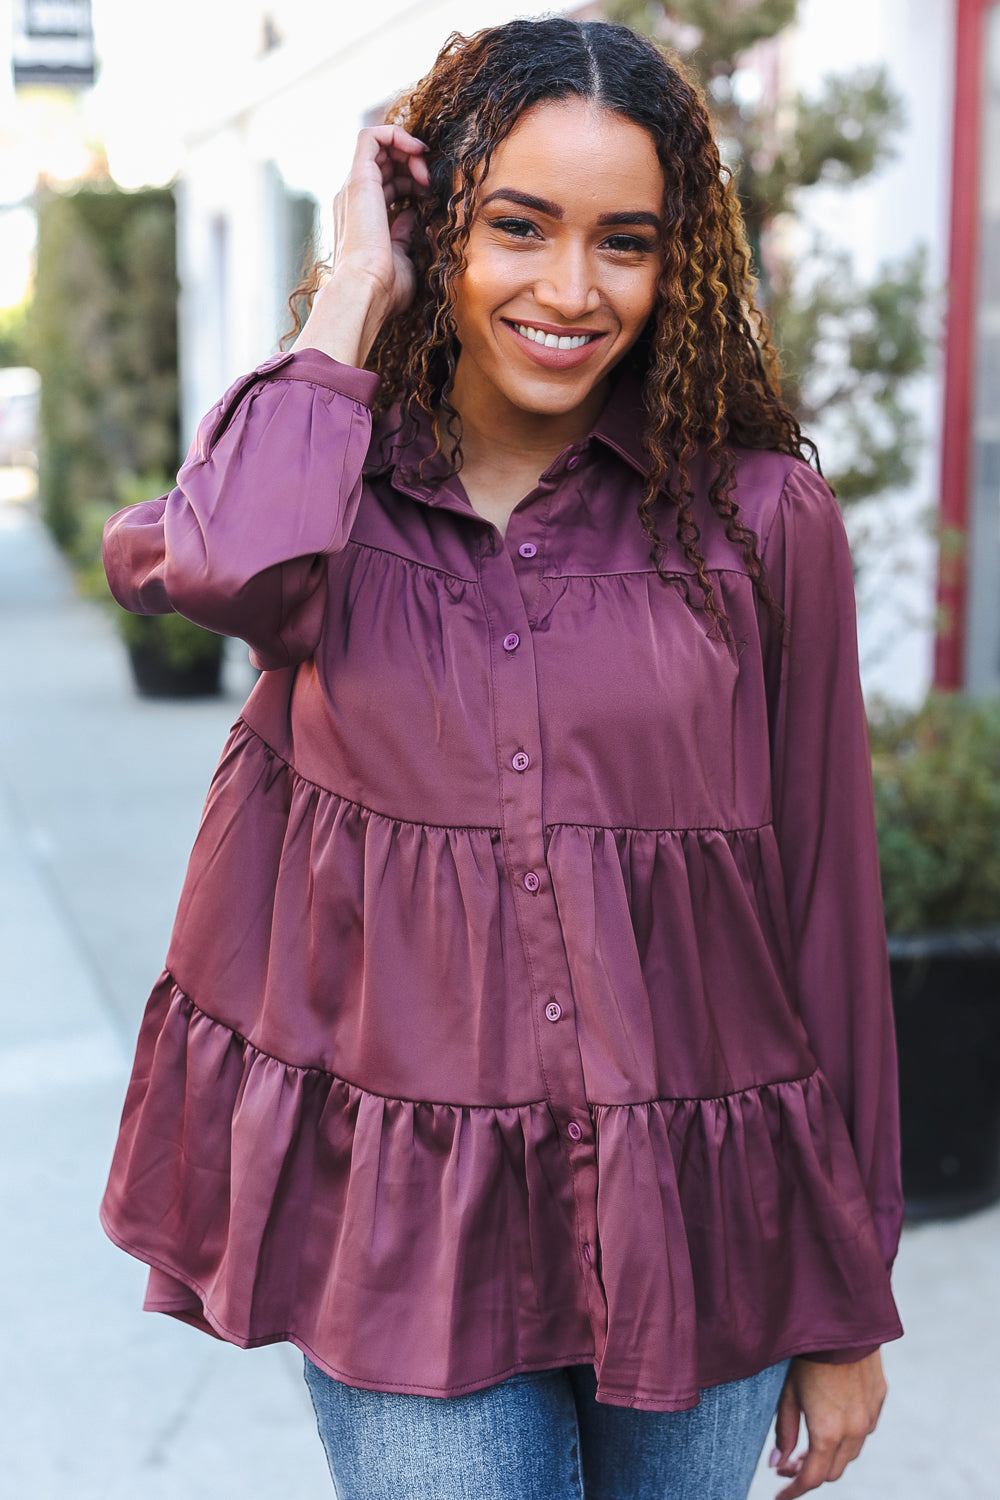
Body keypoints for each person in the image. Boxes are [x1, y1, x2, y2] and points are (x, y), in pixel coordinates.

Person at [99, 17, 903, 1500]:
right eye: (517, 227)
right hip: (409, 1232)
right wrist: (350, 288)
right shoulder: (321, 480)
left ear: (681, 264)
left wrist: (850, 1293)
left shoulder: (761, 519)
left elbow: (823, 912)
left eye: (626, 243)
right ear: (436, 222)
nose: (570, 290)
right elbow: (209, 575)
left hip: (702, 1221)